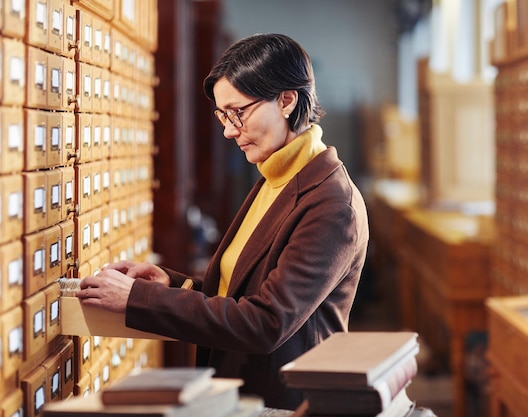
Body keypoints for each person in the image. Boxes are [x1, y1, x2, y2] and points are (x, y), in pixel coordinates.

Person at [77, 33, 369, 410]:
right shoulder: (275, 177)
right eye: (222, 116)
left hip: (287, 403)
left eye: (238, 113)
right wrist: (175, 284)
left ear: (286, 100)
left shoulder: (331, 204)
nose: (229, 130)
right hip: (249, 392)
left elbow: (266, 322)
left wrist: (141, 299)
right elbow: (245, 289)